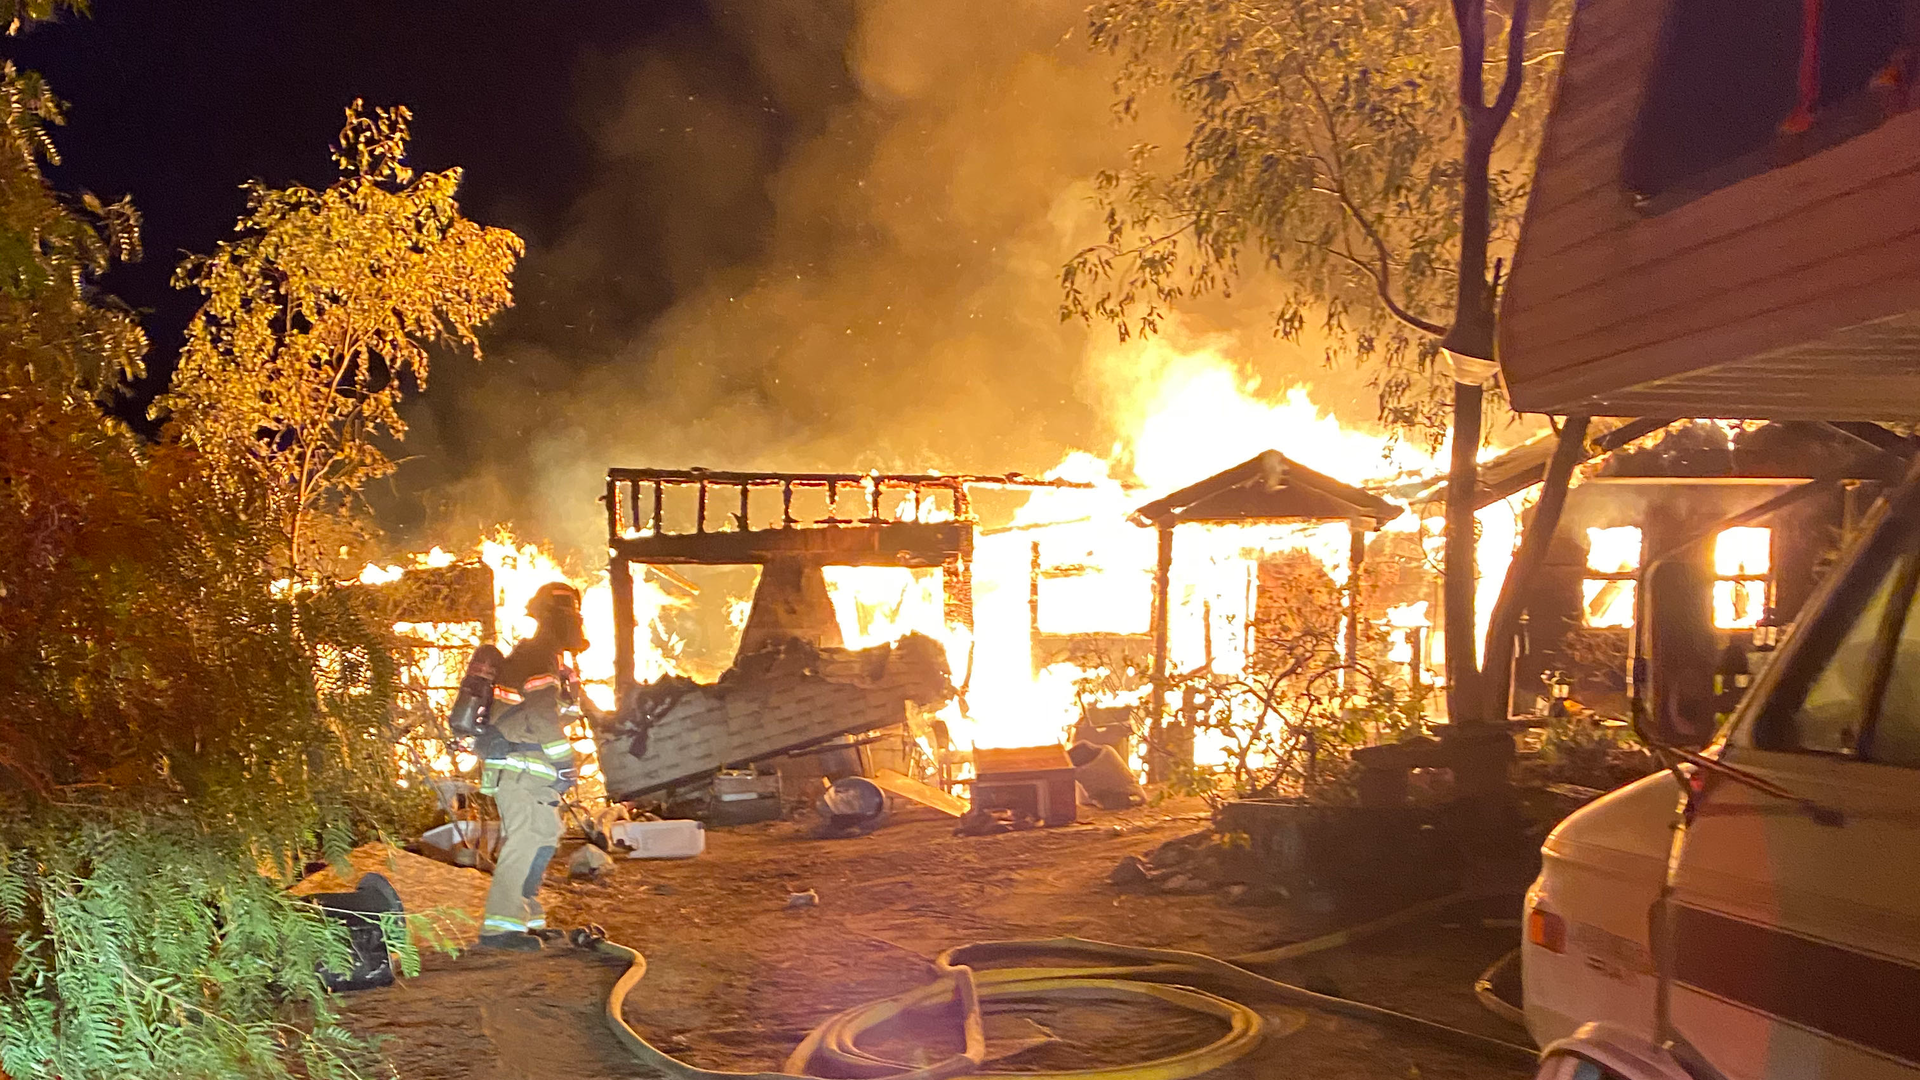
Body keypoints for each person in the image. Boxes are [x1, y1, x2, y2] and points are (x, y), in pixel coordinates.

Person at [476, 582, 592, 951]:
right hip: (519, 767)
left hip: (533, 769)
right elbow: (542, 718)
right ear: (555, 619)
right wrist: (565, 761)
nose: (578, 624)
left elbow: (554, 714)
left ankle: (526, 919)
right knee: (525, 839)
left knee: (544, 837)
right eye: (572, 617)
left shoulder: (546, 659)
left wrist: (572, 693)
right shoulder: (537, 656)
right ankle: (499, 929)